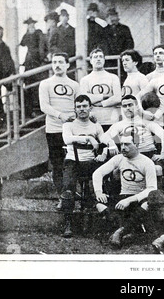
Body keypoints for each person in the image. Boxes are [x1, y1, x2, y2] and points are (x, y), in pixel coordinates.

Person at [60, 95, 118, 238]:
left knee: (108, 177)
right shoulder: (69, 125)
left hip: (90, 162)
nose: (82, 109)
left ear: (90, 108)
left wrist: (111, 144)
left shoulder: (95, 125)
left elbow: (104, 138)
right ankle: (68, 223)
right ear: (75, 109)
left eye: (85, 106)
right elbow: (67, 139)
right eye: (79, 107)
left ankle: (108, 218)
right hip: (73, 161)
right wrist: (88, 138)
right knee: (68, 187)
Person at [92, 133, 157, 248]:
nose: (122, 147)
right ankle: (125, 228)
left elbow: (152, 188)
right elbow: (97, 173)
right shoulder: (119, 158)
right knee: (99, 202)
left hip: (138, 198)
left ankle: (120, 231)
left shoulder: (147, 162)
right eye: (121, 144)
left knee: (148, 203)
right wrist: (98, 192)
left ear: (136, 144)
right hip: (123, 196)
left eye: (127, 144)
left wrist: (130, 200)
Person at [39, 52, 80, 197]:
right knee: (57, 164)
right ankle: (62, 196)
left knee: (73, 161)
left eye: (61, 62)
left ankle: (72, 192)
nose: (57, 65)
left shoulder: (75, 85)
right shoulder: (45, 84)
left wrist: (75, 118)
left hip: (72, 130)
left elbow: (79, 105)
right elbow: (44, 106)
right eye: (54, 62)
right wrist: (60, 115)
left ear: (68, 65)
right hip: (54, 129)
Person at [106, 95, 164, 163]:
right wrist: (111, 143)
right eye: (124, 106)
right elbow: (104, 136)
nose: (127, 108)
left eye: (130, 105)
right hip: (128, 156)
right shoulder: (119, 125)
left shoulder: (146, 122)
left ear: (137, 106)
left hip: (147, 154)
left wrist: (163, 154)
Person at [79, 48, 121, 132]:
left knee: (114, 144)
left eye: (100, 57)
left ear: (104, 60)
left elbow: (117, 98)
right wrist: (105, 96)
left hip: (112, 119)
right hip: (94, 119)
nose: (98, 59)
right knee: (96, 144)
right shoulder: (85, 80)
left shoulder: (113, 77)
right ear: (90, 60)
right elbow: (85, 99)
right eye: (95, 57)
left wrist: (101, 103)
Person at [19, 17, 46, 118]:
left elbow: (41, 47)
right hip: (29, 62)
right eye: (29, 25)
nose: (31, 26)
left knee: (38, 84)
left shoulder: (38, 33)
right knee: (29, 84)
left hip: (37, 61)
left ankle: (38, 107)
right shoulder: (26, 35)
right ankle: (30, 109)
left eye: (32, 24)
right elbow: (22, 44)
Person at [102, 8, 135, 84]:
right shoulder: (103, 31)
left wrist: (124, 55)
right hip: (110, 61)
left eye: (113, 16)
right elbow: (103, 45)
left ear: (117, 17)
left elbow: (130, 43)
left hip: (122, 59)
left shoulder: (125, 29)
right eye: (109, 16)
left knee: (124, 80)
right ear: (107, 18)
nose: (111, 18)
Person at [0, 25, 16, 129]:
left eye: (1, 32)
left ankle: (5, 120)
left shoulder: (4, 46)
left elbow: (9, 60)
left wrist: (12, 72)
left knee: (15, 90)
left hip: (4, 74)